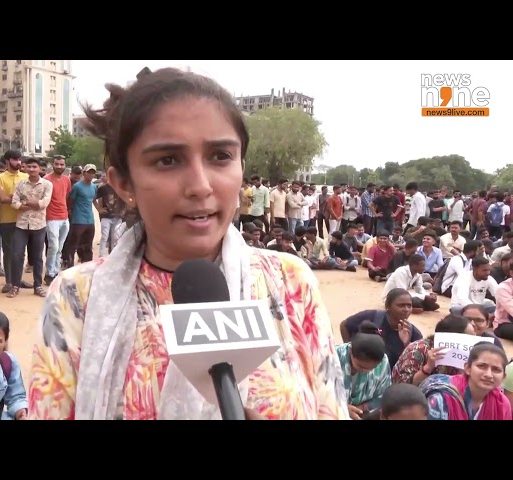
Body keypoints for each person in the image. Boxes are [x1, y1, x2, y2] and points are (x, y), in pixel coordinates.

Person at [27, 67, 349, 420]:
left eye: (220, 157)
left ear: (242, 166)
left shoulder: (290, 281)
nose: (200, 186)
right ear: (123, 184)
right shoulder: (76, 299)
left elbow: (330, 408)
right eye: (168, 160)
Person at [421, 343, 511, 420]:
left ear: (503, 377)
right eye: (481, 366)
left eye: (496, 370)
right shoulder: (441, 399)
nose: (488, 374)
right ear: (468, 368)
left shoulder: (502, 404)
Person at [336, 320, 391, 420]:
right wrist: (342, 408)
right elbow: (318, 392)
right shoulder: (334, 357)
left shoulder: (383, 361)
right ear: (351, 351)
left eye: (372, 368)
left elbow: (383, 395)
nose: (366, 371)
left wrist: (360, 409)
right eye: (361, 366)